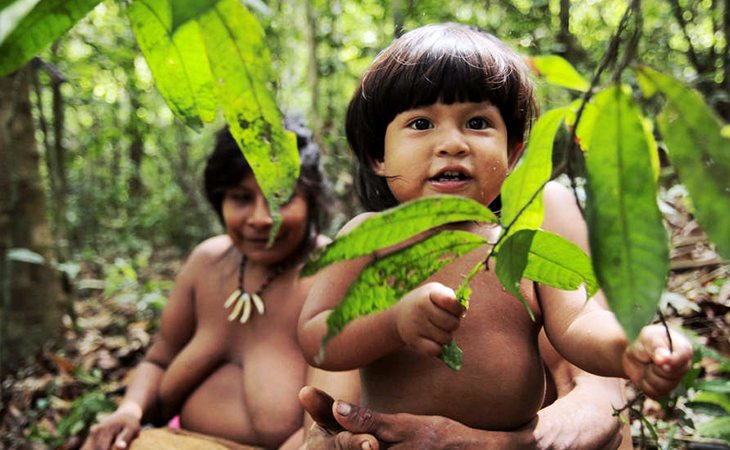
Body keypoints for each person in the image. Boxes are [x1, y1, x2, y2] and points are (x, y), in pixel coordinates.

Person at [297, 22, 693, 442]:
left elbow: (579, 322)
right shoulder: (369, 237)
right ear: (378, 153)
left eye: (477, 123)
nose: (452, 143)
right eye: (420, 124)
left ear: (512, 152)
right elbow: (317, 334)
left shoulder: (520, 242)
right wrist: (393, 323)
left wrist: (629, 347)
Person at [82, 117, 330, 450]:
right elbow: (158, 360)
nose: (260, 218)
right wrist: (128, 411)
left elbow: (332, 425)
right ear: (220, 201)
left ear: (311, 200)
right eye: (241, 198)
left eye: (280, 198)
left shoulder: (333, 274)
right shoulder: (207, 263)